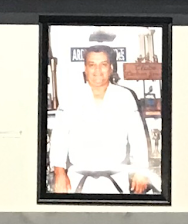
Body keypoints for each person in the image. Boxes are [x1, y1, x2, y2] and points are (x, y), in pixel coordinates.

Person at [48, 45, 156, 195]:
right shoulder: (71, 97)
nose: (97, 71)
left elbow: (137, 137)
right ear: (85, 68)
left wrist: (141, 170)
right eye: (92, 65)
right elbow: (60, 137)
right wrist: (59, 172)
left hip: (116, 180)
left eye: (103, 64)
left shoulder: (124, 97)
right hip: (77, 181)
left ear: (111, 68)